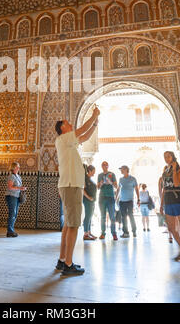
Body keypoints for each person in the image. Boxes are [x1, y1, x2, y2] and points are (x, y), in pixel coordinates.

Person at [55, 106, 100, 276]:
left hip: (69, 185)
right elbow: (82, 130)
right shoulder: (64, 138)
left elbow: (85, 135)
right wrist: (94, 114)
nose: (70, 123)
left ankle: (61, 260)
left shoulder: (68, 142)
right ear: (62, 129)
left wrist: (95, 124)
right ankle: (68, 264)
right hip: (72, 185)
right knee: (73, 226)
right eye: (67, 123)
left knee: (68, 224)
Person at [160, 151, 180, 268]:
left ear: (173, 157)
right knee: (171, 228)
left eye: (168, 156)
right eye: (165, 156)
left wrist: (173, 169)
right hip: (168, 201)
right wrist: (161, 204)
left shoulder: (179, 171)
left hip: (179, 200)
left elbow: (177, 183)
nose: (166, 158)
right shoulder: (164, 172)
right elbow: (164, 188)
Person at [116, 166, 140, 238]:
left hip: (130, 201)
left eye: (122, 169)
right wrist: (115, 198)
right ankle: (126, 233)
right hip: (122, 201)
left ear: (126, 170)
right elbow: (118, 189)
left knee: (130, 215)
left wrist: (138, 199)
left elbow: (136, 189)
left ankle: (134, 231)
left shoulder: (133, 179)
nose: (121, 171)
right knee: (123, 217)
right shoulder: (120, 179)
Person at [97, 161, 118, 240]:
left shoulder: (112, 174)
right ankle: (103, 233)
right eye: (103, 165)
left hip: (110, 197)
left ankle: (114, 234)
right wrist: (101, 183)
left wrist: (111, 182)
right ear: (101, 166)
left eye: (106, 165)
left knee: (112, 217)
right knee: (102, 217)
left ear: (108, 166)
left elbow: (116, 186)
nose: (105, 166)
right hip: (102, 197)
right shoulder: (99, 175)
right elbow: (98, 187)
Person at [5, 161, 26, 238]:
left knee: (15, 213)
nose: (18, 168)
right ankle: (10, 231)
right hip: (11, 196)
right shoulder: (11, 176)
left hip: (16, 196)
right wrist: (19, 188)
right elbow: (10, 187)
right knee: (12, 213)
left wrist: (21, 189)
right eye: (17, 167)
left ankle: (11, 230)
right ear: (13, 168)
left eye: (18, 167)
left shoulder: (18, 176)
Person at [83, 165, 97, 240]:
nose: (94, 173)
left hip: (92, 201)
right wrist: (89, 197)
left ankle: (89, 232)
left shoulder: (90, 179)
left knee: (90, 216)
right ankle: (85, 234)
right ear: (90, 171)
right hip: (87, 200)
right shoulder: (85, 178)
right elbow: (82, 189)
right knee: (88, 216)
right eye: (93, 171)